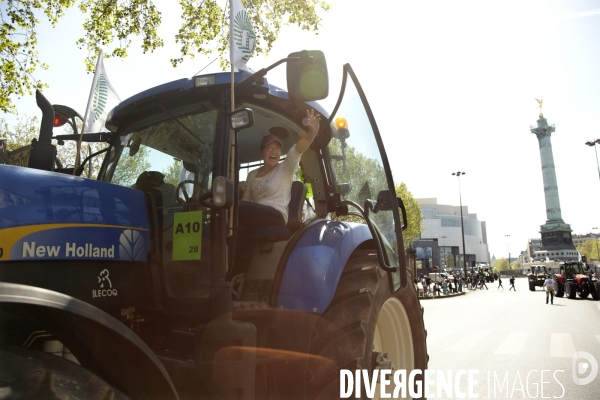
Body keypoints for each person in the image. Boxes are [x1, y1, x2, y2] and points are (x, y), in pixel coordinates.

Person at [239, 109, 321, 233]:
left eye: (277, 148)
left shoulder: (285, 168)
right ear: (262, 152)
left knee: (235, 208)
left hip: (277, 215)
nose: (274, 151)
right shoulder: (252, 175)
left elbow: (298, 149)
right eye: (269, 147)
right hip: (256, 215)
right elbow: (246, 200)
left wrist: (312, 132)